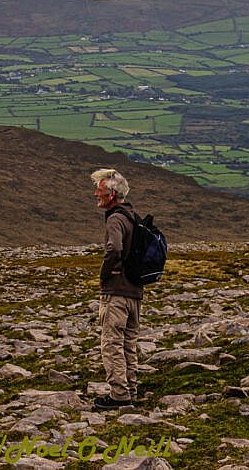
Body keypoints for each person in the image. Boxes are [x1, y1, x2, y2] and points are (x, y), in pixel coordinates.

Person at [90, 168, 142, 410]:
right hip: (134, 292)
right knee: (128, 343)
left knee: (111, 343)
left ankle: (119, 395)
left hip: (117, 292)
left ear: (111, 194)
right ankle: (130, 389)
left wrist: (104, 276)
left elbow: (114, 249)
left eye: (99, 190)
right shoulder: (132, 216)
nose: (95, 194)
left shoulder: (115, 219)